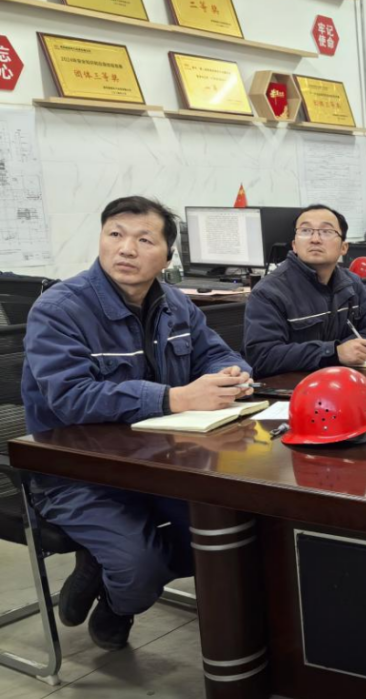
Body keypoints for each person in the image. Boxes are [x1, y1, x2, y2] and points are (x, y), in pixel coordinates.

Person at [23, 196, 255, 650]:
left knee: (227, 534)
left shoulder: (174, 303)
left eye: (144, 240)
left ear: (167, 257)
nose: (126, 249)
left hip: (158, 463)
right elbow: (70, 398)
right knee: (139, 567)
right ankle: (117, 601)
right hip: (77, 474)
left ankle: (105, 569)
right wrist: (174, 398)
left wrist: (232, 373)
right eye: (115, 234)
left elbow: (215, 353)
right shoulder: (59, 309)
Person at [244, 204, 366, 379]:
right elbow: (262, 356)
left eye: (326, 232)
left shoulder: (351, 283)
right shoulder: (269, 292)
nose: (315, 239)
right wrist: (334, 352)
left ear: (344, 247)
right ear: (294, 245)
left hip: (342, 381)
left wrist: (352, 349)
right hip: (292, 388)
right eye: (306, 231)